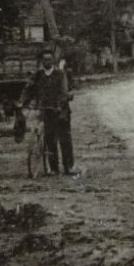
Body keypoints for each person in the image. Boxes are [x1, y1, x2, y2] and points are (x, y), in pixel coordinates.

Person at [22, 49, 77, 177]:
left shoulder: (60, 74)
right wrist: (23, 101)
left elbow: (64, 91)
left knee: (65, 139)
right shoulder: (38, 75)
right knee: (49, 139)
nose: (47, 61)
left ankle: (68, 167)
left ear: (53, 60)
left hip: (61, 110)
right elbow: (29, 88)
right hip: (46, 111)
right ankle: (53, 169)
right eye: (45, 59)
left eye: (49, 59)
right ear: (42, 61)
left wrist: (60, 103)